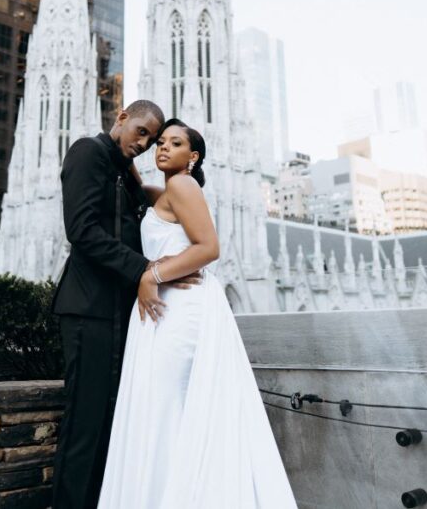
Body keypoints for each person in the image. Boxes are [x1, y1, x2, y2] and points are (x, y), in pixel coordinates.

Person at [97, 119, 298, 509]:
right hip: (167, 309)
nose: (162, 148)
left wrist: (149, 274)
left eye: (175, 143)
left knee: (166, 408)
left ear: (193, 157)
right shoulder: (165, 191)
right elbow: (135, 183)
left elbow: (208, 248)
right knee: (166, 409)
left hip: (181, 311)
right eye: (159, 142)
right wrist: (121, 134)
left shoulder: (183, 185)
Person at [51, 101, 200, 509]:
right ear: (120, 117)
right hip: (87, 312)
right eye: (141, 131)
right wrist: (147, 270)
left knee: (111, 425)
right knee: (84, 426)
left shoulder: (121, 169)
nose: (144, 142)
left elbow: (154, 204)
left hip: (120, 314)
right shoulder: (87, 152)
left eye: (151, 139)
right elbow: (81, 230)